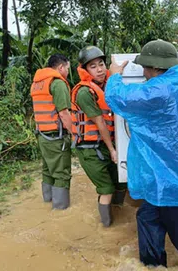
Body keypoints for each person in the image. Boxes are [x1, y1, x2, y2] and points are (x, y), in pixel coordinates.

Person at [105, 39, 178, 268]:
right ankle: (153, 265)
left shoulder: (158, 90)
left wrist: (115, 75)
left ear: (155, 68)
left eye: (145, 67)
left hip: (174, 185)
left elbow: (119, 98)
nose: (144, 72)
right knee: (147, 218)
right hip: (176, 179)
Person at [71, 46, 126, 227]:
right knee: (107, 189)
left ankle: (119, 214)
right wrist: (113, 150)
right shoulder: (84, 92)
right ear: (85, 70)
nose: (100, 69)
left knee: (121, 182)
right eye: (93, 66)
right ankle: (107, 227)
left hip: (105, 144)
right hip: (89, 148)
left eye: (101, 64)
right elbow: (100, 123)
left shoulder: (108, 85)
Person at [30, 54, 72, 210]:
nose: (68, 72)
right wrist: (75, 133)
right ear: (61, 67)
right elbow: (64, 113)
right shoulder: (57, 83)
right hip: (56, 137)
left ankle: (47, 201)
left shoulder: (37, 83)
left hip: (42, 135)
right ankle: (60, 210)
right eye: (67, 68)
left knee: (48, 170)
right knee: (61, 173)